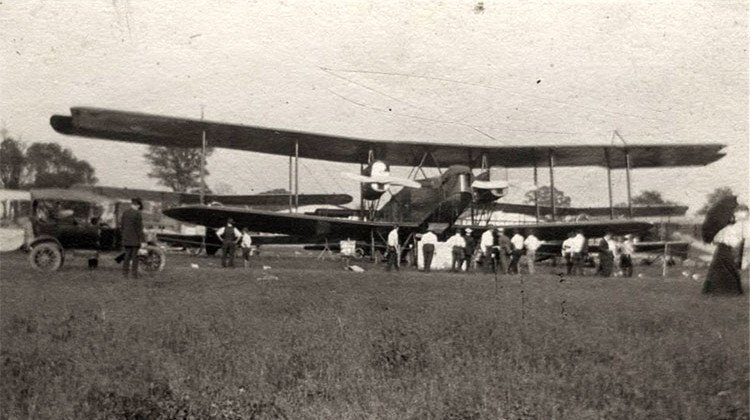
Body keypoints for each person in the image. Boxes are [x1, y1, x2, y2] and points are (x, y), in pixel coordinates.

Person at [703, 207, 746, 295]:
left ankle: (713, 289)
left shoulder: (723, 230)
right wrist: (740, 240)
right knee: (729, 267)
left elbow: (715, 240)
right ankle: (730, 290)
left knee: (717, 268)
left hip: (719, 250)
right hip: (726, 250)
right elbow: (733, 243)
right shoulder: (732, 230)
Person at [120, 197, 146, 279]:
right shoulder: (137, 214)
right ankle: (134, 274)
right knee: (135, 257)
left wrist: (124, 236)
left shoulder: (125, 213)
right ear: (138, 205)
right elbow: (139, 229)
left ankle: (124, 273)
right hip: (135, 239)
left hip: (126, 238)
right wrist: (143, 240)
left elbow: (122, 226)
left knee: (127, 256)